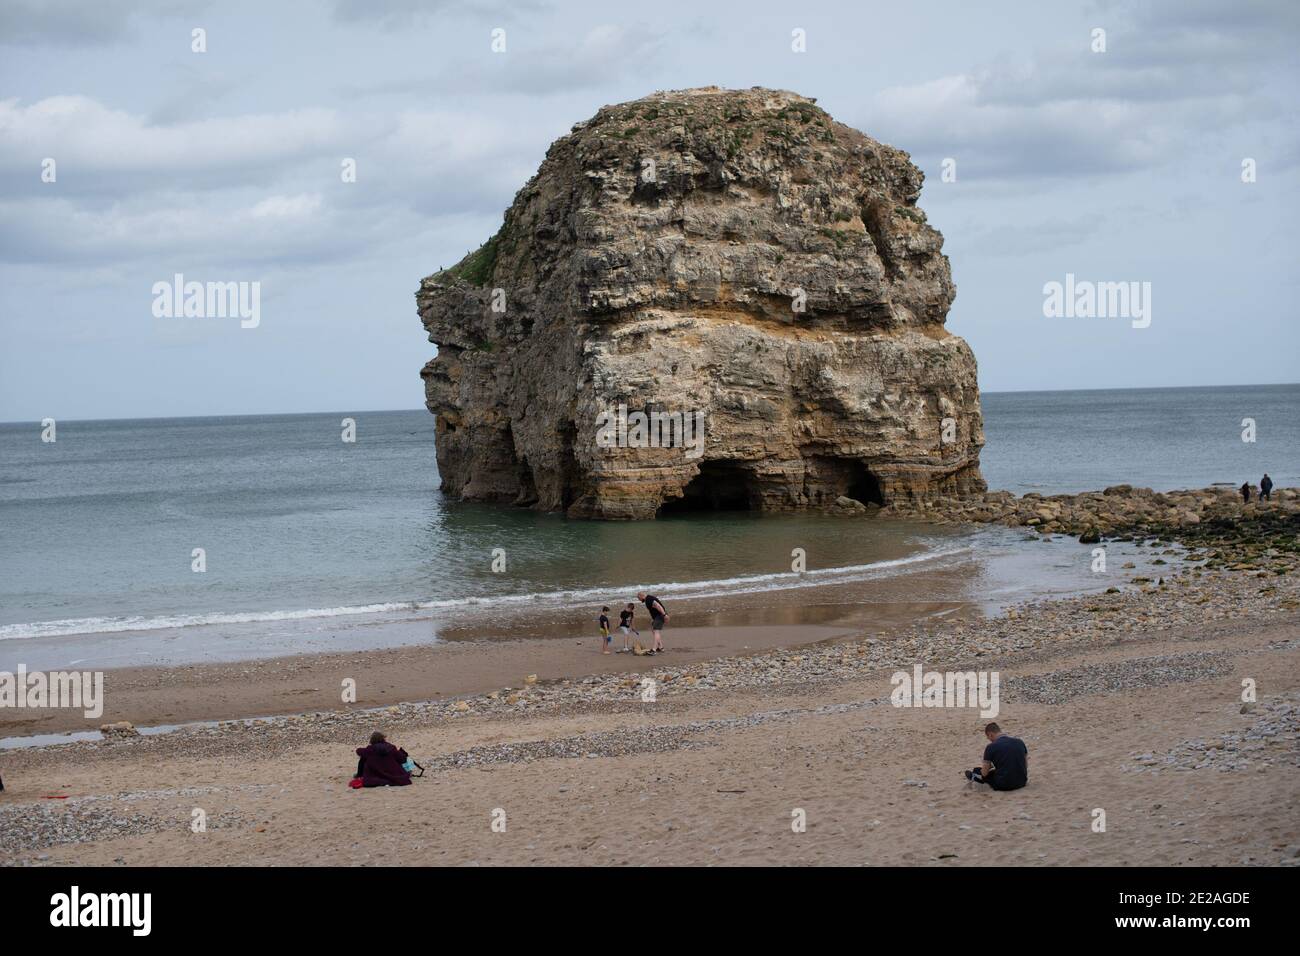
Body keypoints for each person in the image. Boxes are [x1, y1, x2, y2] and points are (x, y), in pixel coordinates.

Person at [964, 722, 1028, 791]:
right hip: (1022, 781)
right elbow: (1025, 765)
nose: (990, 740)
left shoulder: (991, 747)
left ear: (990, 734)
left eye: (988, 738)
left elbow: (984, 773)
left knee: (978, 771)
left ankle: (973, 776)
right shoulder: (1019, 742)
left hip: (1004, 784)